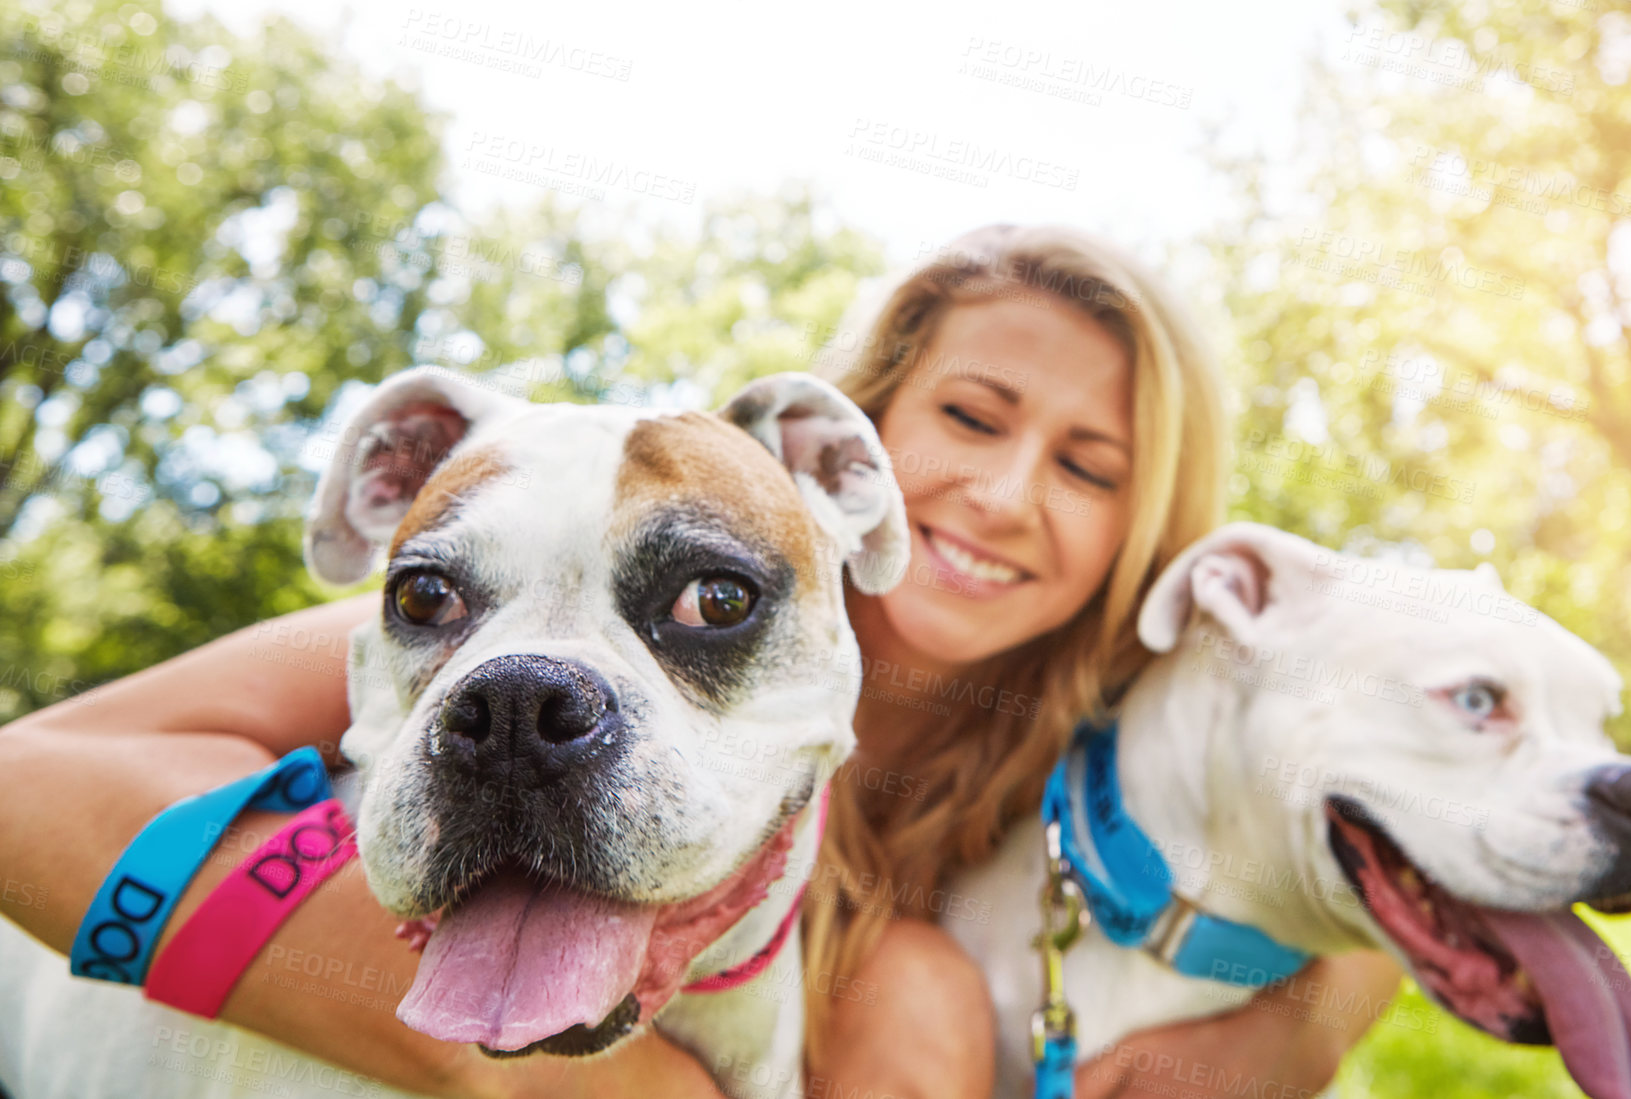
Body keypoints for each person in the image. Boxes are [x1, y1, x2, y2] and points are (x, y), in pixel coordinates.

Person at [0, 224, 1402, 1099]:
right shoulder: (566, 561)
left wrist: (1295, 1030)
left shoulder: (1111, 717)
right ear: (848, 453)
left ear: (1141, 532)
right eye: (970, 418)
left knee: (910, 990)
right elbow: (21, 783)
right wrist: (471, 1051)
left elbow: (1379, 801)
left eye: (1089, 467)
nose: (1003, 494)